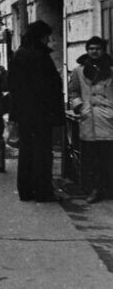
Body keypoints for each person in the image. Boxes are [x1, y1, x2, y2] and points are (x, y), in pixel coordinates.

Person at [9, 20, 64, 201]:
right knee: (42, 152)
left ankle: (25, 190)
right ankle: (42, 191)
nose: (49, 40)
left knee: (26, 151)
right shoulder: (41, 56)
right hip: (42, 114)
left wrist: (14, 114)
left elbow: (13, 87)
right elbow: (49, 87)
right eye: (47, 36)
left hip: (24, 114)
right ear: (41, 37)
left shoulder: (19, 54)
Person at [68, 36, 113, 203]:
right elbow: (73, 91)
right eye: (91, 48)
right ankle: (93, 190)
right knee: (91, 159)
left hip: (107, 119)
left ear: (103, 50)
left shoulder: (111, 69)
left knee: (107, 157)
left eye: (98, 48)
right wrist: (80, 106)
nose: (94, 51)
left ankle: (107, 189)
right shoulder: (78, 71)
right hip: (89, 119)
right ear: (87, 50)